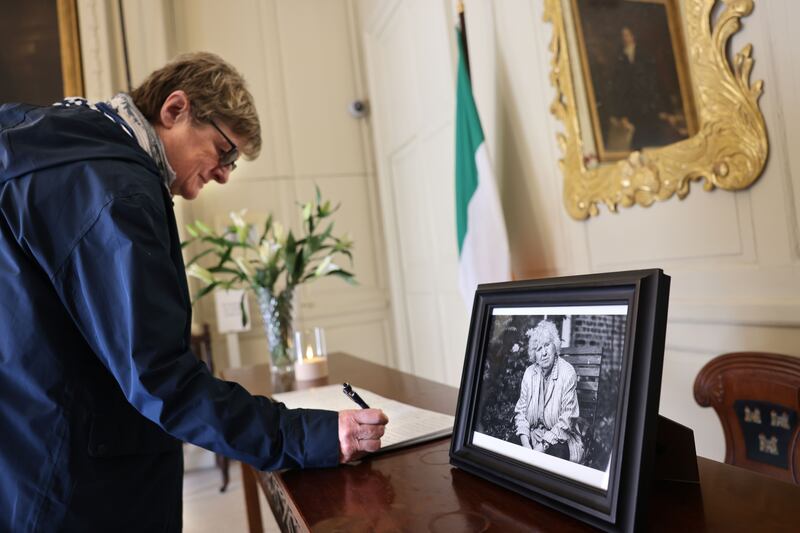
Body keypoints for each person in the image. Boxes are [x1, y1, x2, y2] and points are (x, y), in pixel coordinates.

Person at [0, 52, 388, 532]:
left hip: (29, 460)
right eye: (224, 151)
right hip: (82, 490)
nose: (225, 173)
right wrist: (308, 435)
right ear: (174, 110)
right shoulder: (117, 190)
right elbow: (162, 380)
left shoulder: (50, 149)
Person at [513, 320, 583, 462]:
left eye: (547, 346)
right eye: (538, 349)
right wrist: (526, 445)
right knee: (511, 445)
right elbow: (521, 413)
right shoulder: (529, 373)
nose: (544, 353)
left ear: (555, 346)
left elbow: (566, 421)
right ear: (535, 355)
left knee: (556, 456)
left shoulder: (567, 373)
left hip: (561, 439)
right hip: (534, 435)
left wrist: (541, 447)